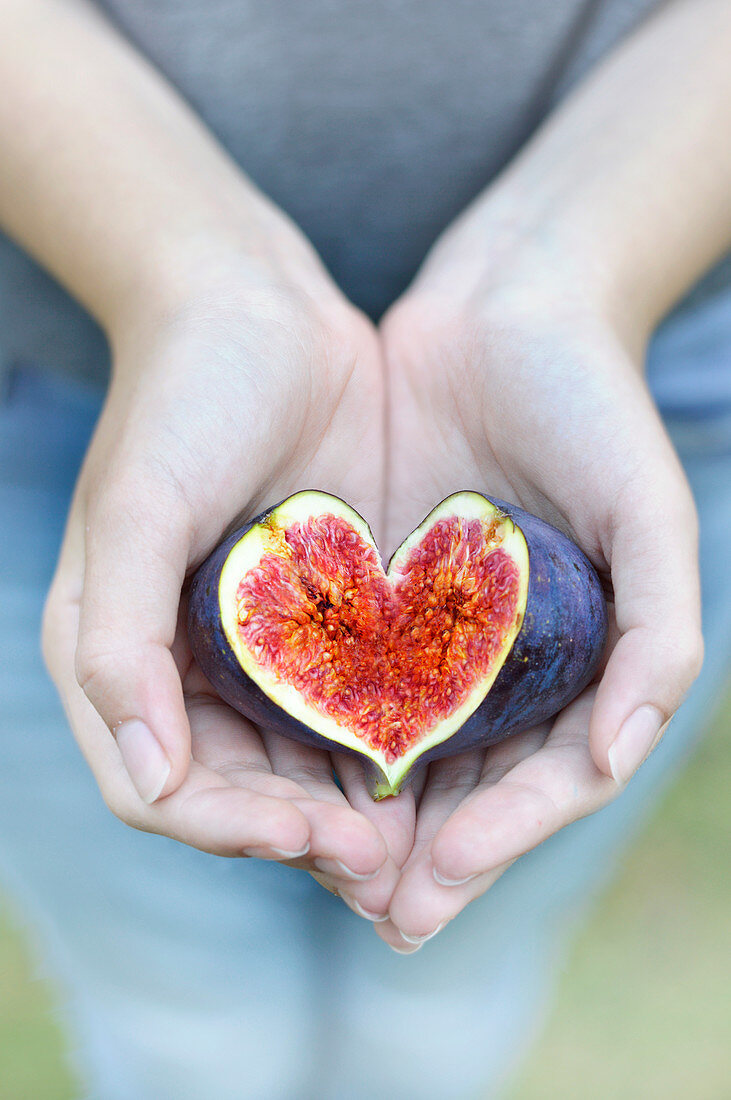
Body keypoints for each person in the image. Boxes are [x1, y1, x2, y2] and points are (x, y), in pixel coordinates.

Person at [0, 0, 729, 1096]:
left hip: (624, 416)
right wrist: (186, 278)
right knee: (180, 1016)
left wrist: (563, 271)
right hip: (66, 408)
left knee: (439, 998)